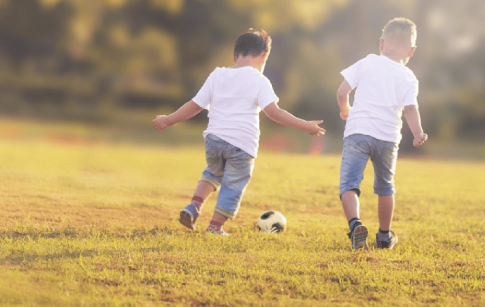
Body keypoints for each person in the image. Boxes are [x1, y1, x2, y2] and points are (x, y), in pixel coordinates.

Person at [153, 29, 325, 236]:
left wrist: (168, 120)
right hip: (242, 144)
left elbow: (195, 105)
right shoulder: (260, 81)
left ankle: (194, 206)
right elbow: (273, 112)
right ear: (264, 56)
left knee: (212, 173)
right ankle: (215, 227)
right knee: (233, 185)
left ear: (235, 55)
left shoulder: (217, 75)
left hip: (214, 140)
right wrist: (305, 125)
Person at [336, 17, 428, 250]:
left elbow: (342, 92)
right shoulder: (409, 77)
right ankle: (385, 236)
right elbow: (410, 109)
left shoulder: (367, 62)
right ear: (411, 51)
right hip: (388, 138)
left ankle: (356, 225)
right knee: (385, 187)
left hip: (358, 132)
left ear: (381, 43)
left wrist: (345, 109)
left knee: (349, 184)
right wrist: (418, 133)